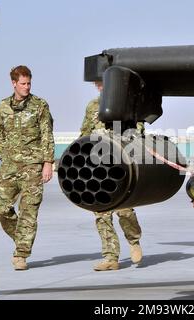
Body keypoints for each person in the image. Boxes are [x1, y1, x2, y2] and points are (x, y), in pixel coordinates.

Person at [0, 65, 55, 271]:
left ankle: (21, 254)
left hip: (33, 167)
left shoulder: (39, 105)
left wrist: (48, 163)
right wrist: (4, 156)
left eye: (29, 83)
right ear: (13, 84)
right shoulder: (2, 106)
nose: (27, 87)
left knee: (29, 212)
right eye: (23, 83)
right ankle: (21, 237)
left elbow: (47, 135)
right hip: (10, 167)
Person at [80, 80, 143, 271]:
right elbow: (84, 134)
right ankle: (111, 257)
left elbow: (137, 131)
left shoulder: (126, 105)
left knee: (125, 210)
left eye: (104, 84)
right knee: (101, 213)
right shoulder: (92, 106)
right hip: (98, 167)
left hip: (120, 166)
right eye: (98, 84)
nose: (100, 88)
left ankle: (134, 241)